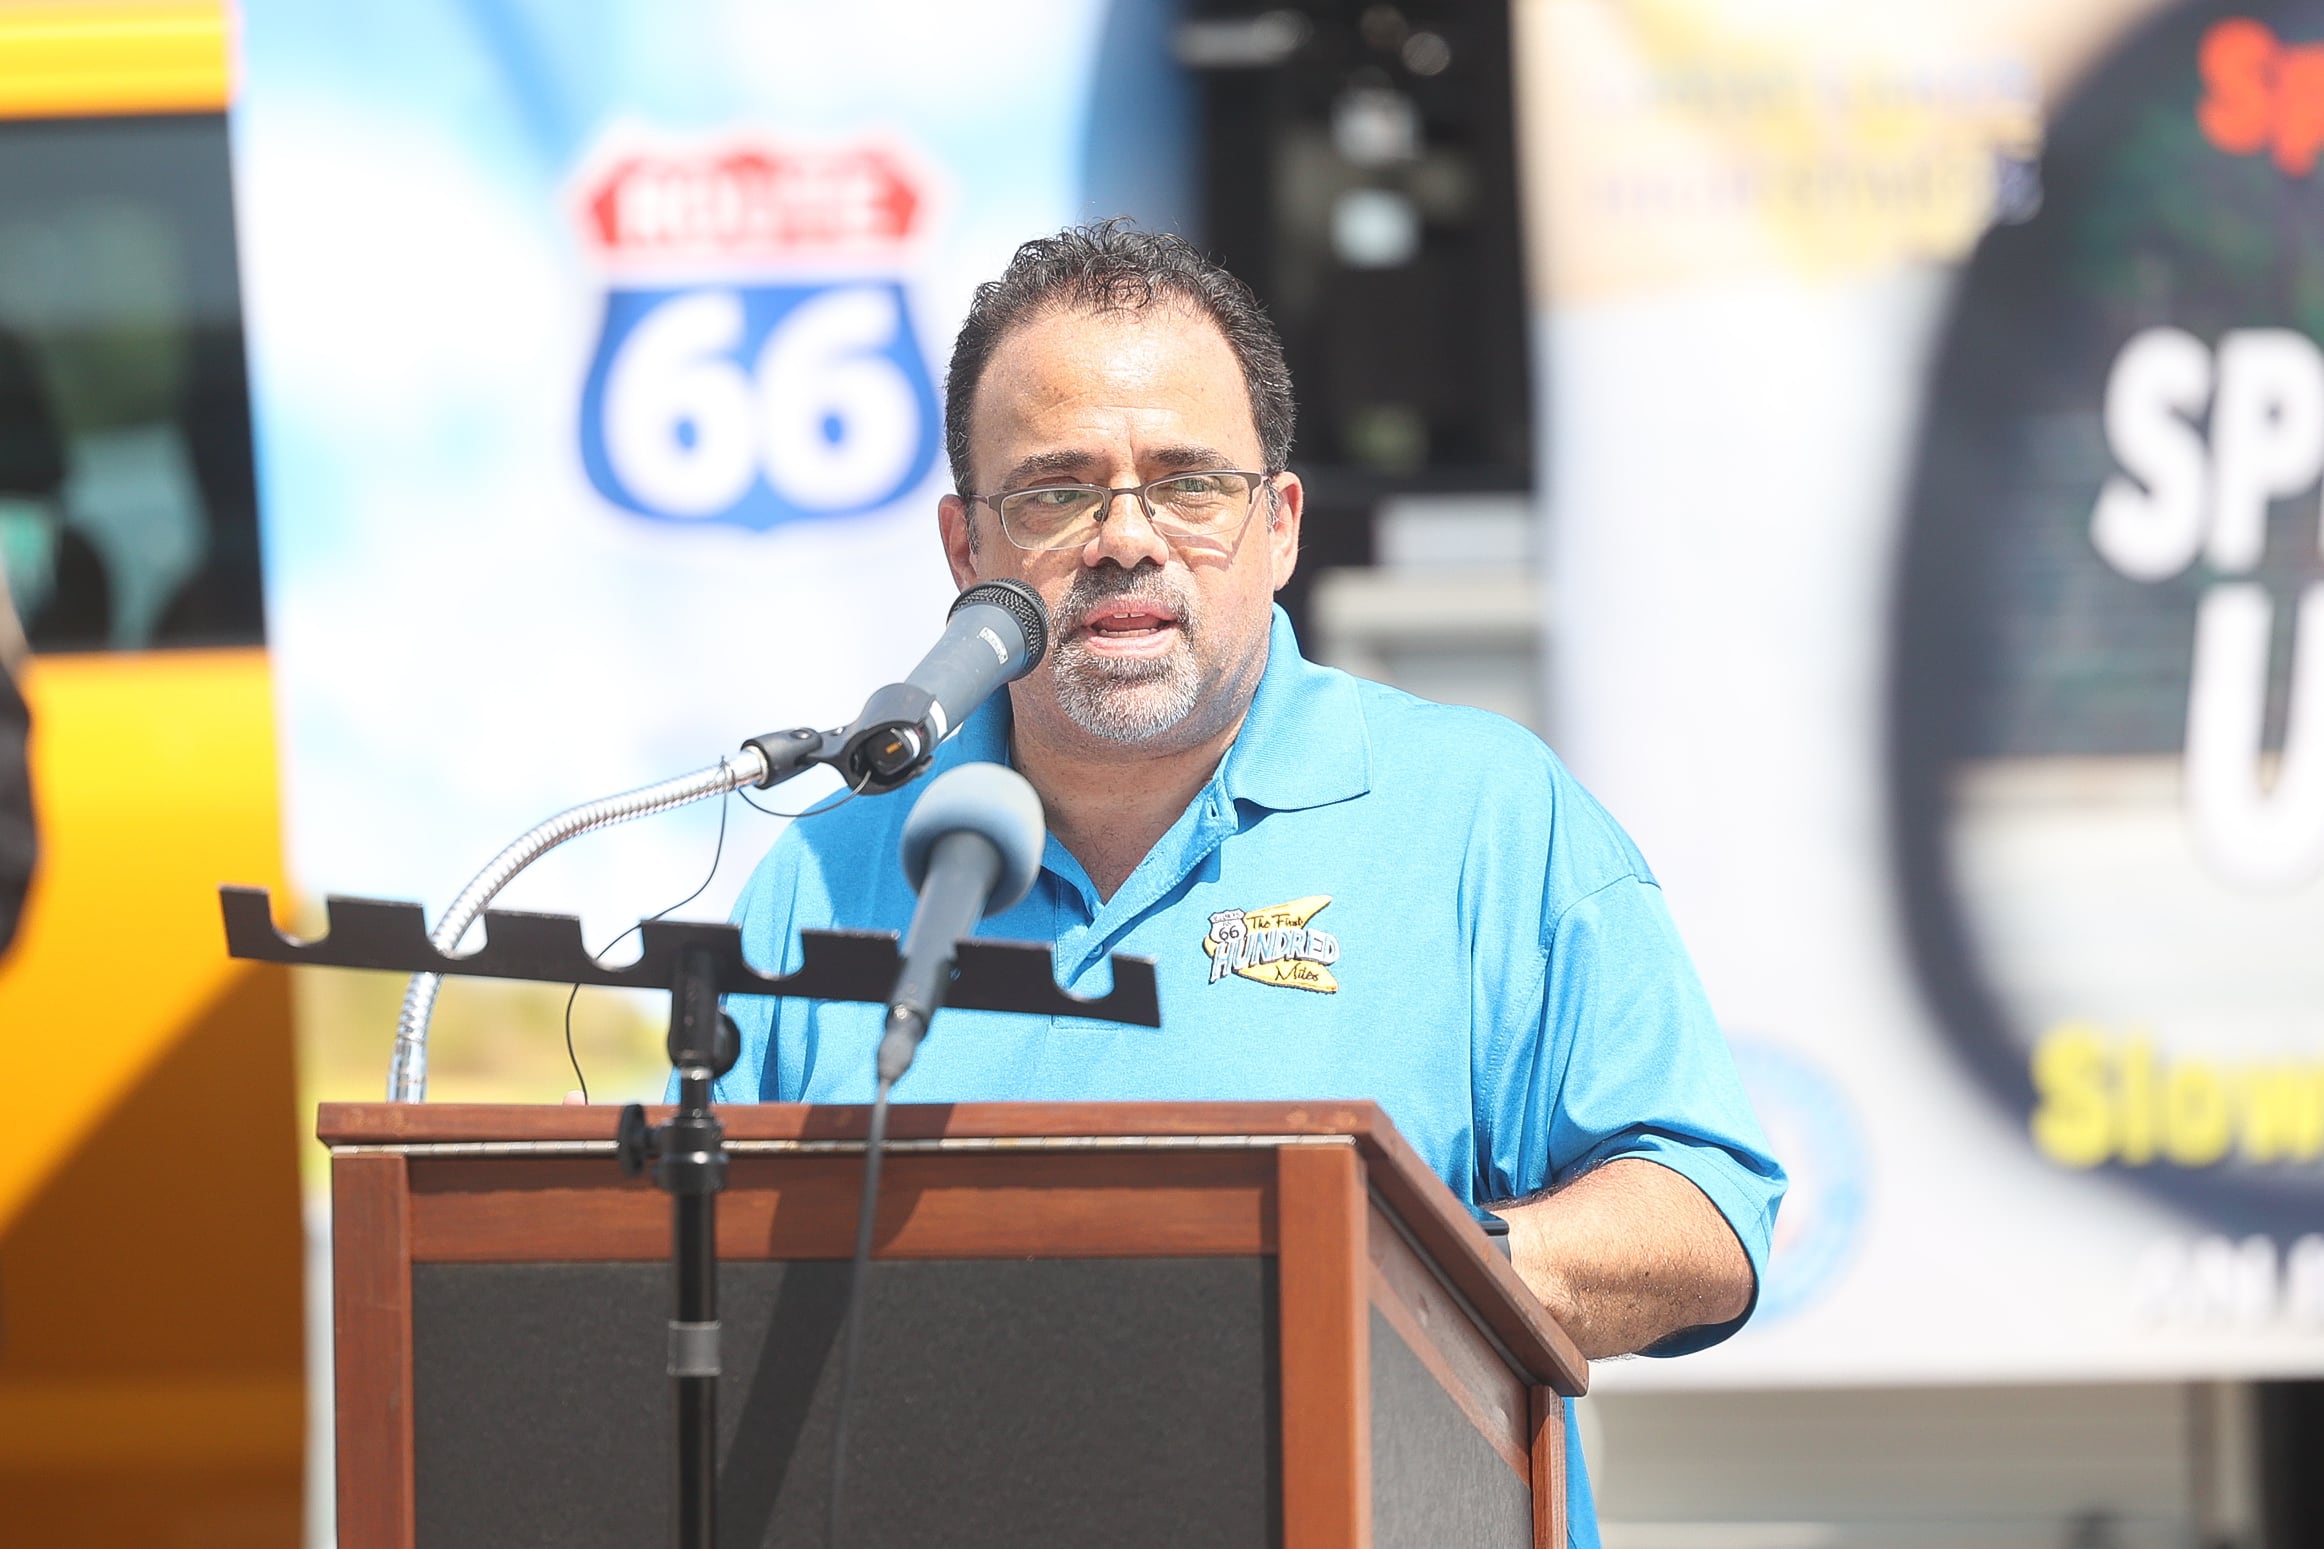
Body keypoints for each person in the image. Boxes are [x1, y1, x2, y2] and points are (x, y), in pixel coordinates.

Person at [713, 222, 1784, 1545]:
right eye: (1056, 490)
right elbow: (676, 1285)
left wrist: (1417, 1275)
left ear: (1278, 525)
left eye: (1186, 483)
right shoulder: (824, 875)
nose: (1124, 538)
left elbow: (1708, 1215)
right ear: (963, 546)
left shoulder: (1484, 814)